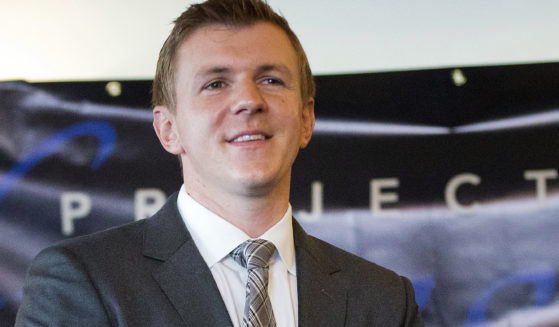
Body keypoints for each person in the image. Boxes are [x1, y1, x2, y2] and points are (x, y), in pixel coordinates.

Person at [15, 0, 424, 326]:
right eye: (215, 83)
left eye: (270, 79)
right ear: (168, 129)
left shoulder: (385, 301)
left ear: (306, 119)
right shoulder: (83, 282)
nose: (248, 100)